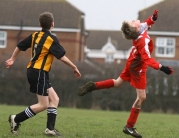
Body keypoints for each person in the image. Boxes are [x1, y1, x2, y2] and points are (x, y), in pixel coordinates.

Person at [77, 10, 173, 138]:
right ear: (136, 28)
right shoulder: (142, 40)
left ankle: (94, 86)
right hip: (137, 67)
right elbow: (147, 59)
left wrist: (153, 18)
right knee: (142, 97)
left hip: (131, 60)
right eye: (132, 22)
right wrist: (162, 68)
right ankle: (129, 127)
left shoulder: (139, 29)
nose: (134, 20)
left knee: (117, 83)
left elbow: (147, 23)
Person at [5, 12, 81, 137]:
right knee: (43, 104)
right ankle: (16, 119)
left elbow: (20, 46)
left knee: (54, 99)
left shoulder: (35, 35)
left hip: (37, 72)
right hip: (38, 72)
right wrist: (74, 66)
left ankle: (50, 129)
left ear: (40, 24)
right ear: (53, 24)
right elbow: (61, 56)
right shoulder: (51, 39)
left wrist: (12, 58)